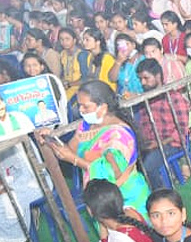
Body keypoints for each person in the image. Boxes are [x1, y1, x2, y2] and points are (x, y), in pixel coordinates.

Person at [46, 80, 150, 217]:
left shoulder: (118, 135)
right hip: (98, 197)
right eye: (79, 105)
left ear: (103, 107)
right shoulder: (87, 125)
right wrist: (50, 138)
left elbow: (112, 174)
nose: (80, 110)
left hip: (125, 199)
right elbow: (70, 149)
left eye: (85, 107)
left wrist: (75, 160)